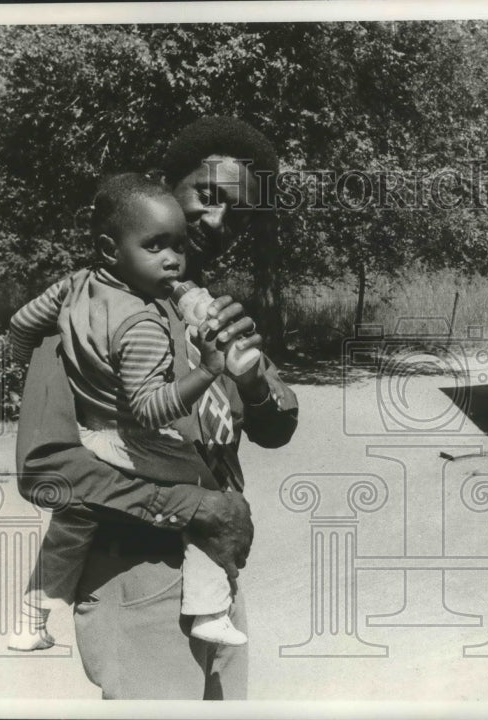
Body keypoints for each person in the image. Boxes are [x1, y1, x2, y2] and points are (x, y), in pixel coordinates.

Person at [15, 117, 298, 700]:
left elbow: (276, 428)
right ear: (168, 187)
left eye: (236, 213)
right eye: (207, 195)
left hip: (212, 583)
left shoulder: (213, 312)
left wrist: (250, 380)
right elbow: (46, 469)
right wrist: (196, 506)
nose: (216, 220)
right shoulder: (88, 308)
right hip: (137, 578)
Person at [9, 173, 248, 651]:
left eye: (178, 246)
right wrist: (208, 371)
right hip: (127, 437)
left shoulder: (73, 286)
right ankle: (209, 608)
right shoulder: (142, 322)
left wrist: (27, 381)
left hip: (87, 431)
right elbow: (147, 410)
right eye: (155, 245)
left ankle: (31, 618)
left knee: (73, 521)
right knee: (208, 488)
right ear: (109, 248)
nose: (172, 259)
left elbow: (20, 325)